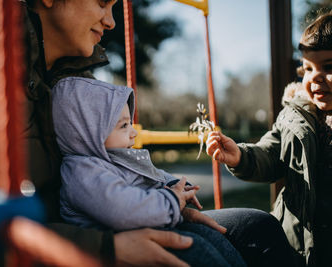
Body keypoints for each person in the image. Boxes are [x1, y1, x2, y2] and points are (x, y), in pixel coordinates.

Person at [0, 0, 297, 266]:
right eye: (103, 4)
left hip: (100, 220)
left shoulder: (67, 77)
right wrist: (107, 249)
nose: (110, 22)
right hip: (64, 240)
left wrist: (166, 200)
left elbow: (118, 166)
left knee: (254, 226)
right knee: (198, 255)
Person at [52, 76, 246, 267]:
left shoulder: (113, 160)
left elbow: (152, 175)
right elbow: (123, 209)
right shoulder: (82, 172)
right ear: (89, 133)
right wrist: (170, 200)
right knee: (197, 250)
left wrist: (173, 185)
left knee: (210, 236)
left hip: (149, 227)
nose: (134, 132)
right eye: (124, 125)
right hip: (120, 252)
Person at [205, 12, 332, 267]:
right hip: (297, 244)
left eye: (328, 67)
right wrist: (240, 156)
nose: (314, 77)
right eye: (308, 68)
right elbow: (270, 154)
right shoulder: (296, 118)